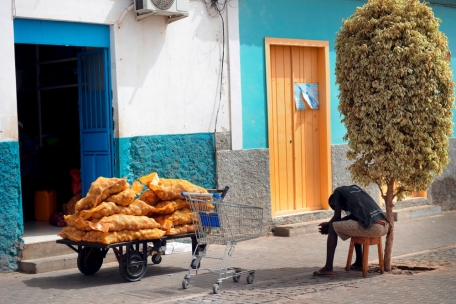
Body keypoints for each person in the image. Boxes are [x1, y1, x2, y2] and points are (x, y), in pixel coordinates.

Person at [313, 185, 389, 276]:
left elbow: (336, 218)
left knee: (333, 227)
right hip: (384, 225)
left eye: (339, 207)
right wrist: (328, 224)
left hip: (373, 227)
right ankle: (359, 263)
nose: (342, 209)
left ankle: (328, 268)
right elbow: (350, 220)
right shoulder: (355, 190)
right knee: (355, 225)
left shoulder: (338, 192)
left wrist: (328, 226)